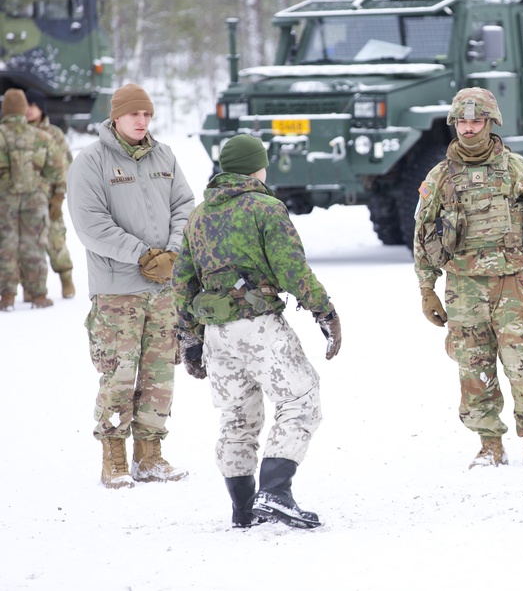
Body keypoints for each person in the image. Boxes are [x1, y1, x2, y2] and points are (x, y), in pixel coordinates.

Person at [173, 134, 341, 530]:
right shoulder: (266, 207)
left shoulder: (198, 215)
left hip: (216, 332)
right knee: (301, 399)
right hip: (258, 326)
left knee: (237, 416)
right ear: (257, 167)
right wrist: (325, 311)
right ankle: (276, 492)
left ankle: (244, 508)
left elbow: (182, 282)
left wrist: (190, 338)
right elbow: (292, 269)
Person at [413, 87, 523, 469]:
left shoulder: (517, 169)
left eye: (476, 121)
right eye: (462, 122)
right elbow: (422, 231)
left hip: (509, 283)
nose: (468, 129)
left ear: (490, 122)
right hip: (462, 286)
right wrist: (426, 289)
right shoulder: (439, 177)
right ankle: (489, 444)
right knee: (473, 364)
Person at [67, 83, 194, 489]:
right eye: (134, 114)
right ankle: (114, 457)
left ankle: (150, 455)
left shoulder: (165, 155)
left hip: (163, 288)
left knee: (160, 374)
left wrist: (172, 252)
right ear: (116, 117)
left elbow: (184, 206)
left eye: (147, 115)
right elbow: (91, 225)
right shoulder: (90, 162)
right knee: (119, 375)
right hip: (117, 287)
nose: (142, 122)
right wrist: (142, 254)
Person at [0, 88, 65, 310]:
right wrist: (51, 191)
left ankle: (7, 296)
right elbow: (57, 171)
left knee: (5, 246)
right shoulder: (42, 136)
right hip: (35, 199)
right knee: (35, 245)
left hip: (4, 200)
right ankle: (38, 295)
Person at [25, 88, 76, 299]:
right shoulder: (13, 133)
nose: (28, 110)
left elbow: (66, 166)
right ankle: (30, 287)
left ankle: (66, 278)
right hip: (23, 201)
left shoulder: (54, 134)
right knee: (25, 245)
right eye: (25, 105)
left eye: (33, 105)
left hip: (48, 199)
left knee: (55, 240)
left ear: (41, 108)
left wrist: (59, 196)